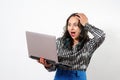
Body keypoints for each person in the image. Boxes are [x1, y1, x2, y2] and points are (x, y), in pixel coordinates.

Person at [38, 13, 105, 80]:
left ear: (82, 27)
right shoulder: (59, 42)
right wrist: (47, 65)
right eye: (69, 25)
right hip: (60, 76)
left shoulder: (88, 44)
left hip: (78, 77)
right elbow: (53, 68)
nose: (71, 28)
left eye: (75, 25)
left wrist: (86, 24)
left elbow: (101, 36)